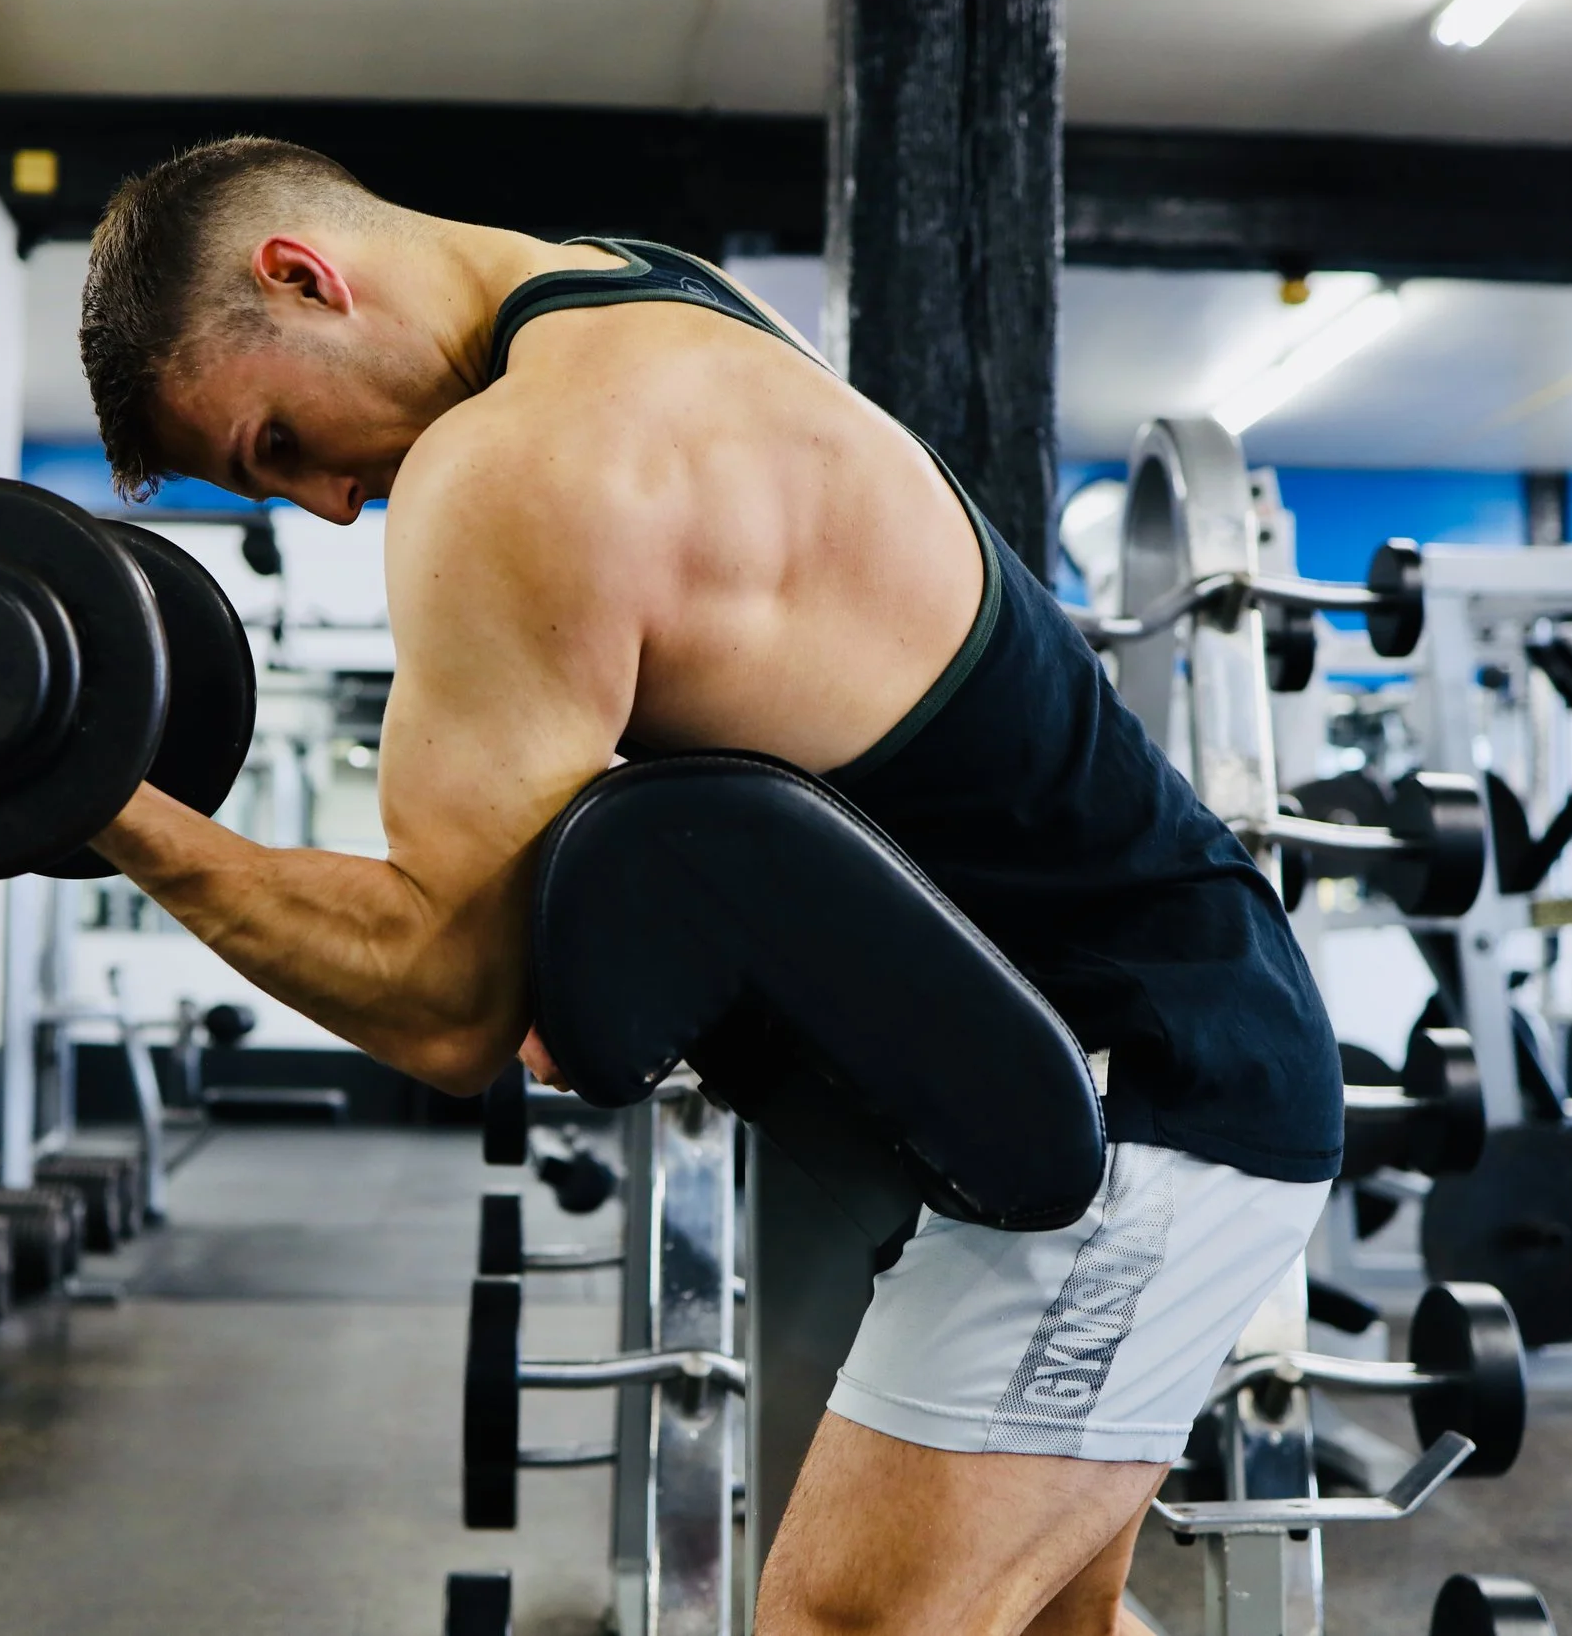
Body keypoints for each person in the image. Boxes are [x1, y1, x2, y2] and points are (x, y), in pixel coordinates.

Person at [79, 135, 1341, 1636]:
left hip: (1142, 1108)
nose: (333, 505)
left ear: (305, 277)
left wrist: (94, 799)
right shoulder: (647, 296)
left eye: (277, 443)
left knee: (843, 1625)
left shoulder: (519, 468)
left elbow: (441, 1003)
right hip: (1175, 1048)